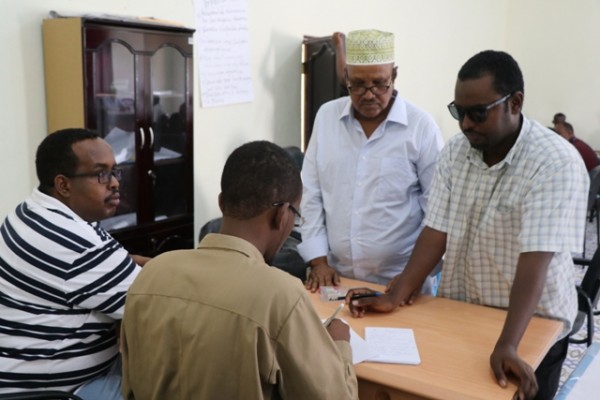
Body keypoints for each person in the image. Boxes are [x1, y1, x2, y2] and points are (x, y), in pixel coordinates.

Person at [347, 50, 589, 400]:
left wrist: (508, 344)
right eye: (458, 112)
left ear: (515, 103)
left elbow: (535, 260)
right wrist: (396, 295)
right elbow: (436, 230)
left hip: (529, 325)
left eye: (478, 113)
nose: (465, 124)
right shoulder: (456, 152)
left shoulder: (554, 162)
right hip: (462, 314)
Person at [120, 141, 358, 399]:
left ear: (221, 203)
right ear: (282, 216)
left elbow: (130, 386)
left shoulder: (151, 274)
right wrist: (339, 344)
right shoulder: (280, 295)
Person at [0, 128, 149, 398]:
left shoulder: (29, 212)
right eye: (101, 174)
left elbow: (110, 266)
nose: (114, 183)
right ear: (64, 185)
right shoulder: (76, 244)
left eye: (115, 171)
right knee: (175, 382)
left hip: (20, 370)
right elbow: (156, 303)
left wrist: (138, 264)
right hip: (56, 391)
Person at [299, 29, 444, 292]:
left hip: (401, 280)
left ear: (394, 76)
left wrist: (412, 277)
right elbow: (312, 192)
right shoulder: (327, 118)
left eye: (379, 83)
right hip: (335, 277)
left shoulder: (421, 127)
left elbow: (437, 210)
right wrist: (318, 262)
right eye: (358, 84)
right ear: (346, 78)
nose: (368, 94)